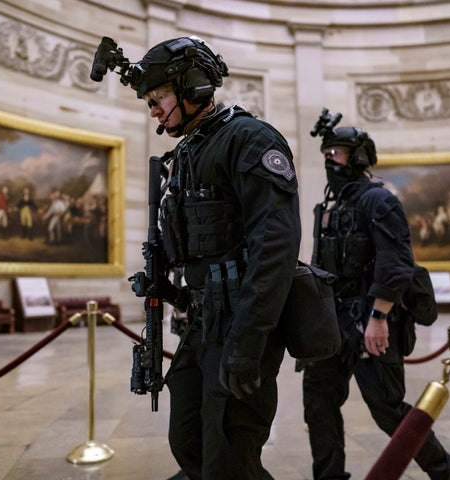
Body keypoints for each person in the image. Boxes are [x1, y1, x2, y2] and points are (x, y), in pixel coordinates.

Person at [92, 35, 301, 479]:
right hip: (203, 320)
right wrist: (165, 287)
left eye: (158, 97)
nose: (152, 110)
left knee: (227, 450)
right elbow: (197, 244)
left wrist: (249, 341)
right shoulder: (189, 150)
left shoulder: (248, 139)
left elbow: (275, 248)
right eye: (149, 100)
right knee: (187, 438)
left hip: (241, 322)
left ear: (193, 86)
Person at [302, 113, 450, 480]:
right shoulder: (329, 207)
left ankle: (445, 469)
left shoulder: (379, 201)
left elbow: (396, 264)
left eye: (337, 152)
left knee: (386, 408)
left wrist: (378, 318)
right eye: (326, 152)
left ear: (358, 158)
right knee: (319, 405)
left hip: (369, 318)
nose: (330, 160)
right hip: (331, 322)